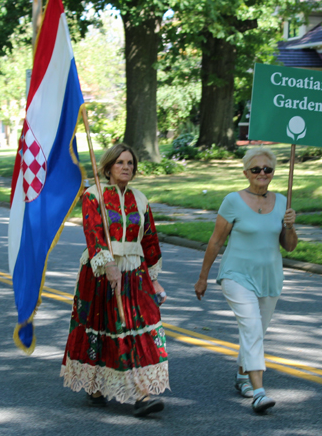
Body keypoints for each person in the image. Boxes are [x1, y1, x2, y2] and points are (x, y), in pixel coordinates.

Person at [61, 143, 169, 417]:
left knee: (136, 327)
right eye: (120, 162)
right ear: (108, 167)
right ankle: (96, 385)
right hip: (100, 271)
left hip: (134, 270)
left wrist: (154, 279)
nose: (126, 167)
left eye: (130, 163)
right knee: (102, 326)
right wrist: (108, 265)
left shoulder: (140, 199)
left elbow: (150, 239)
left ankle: (142, 394)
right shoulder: (93, 195)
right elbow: (93, 232)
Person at [194, 146, 297, 414]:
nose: (262, 173)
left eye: (268, 169)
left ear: (273, 173)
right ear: (246, 173)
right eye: (256, 169)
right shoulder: (233, 201)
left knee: (257, 332)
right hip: (236, 275)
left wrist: (290, 225)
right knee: (251, 328)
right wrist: (203, 278)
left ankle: (242, 376)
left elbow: (290, 247)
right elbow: (216, 241)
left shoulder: (282, 202)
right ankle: (259, 393)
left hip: (270, 276)